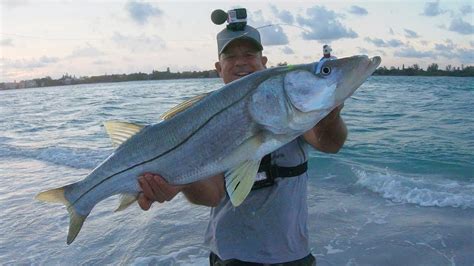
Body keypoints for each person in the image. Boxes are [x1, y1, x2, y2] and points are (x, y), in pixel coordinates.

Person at [137, 21, 347, 266]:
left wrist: (331, 114)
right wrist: (178, 180)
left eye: (249, 54)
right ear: (219, 67)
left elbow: (330, 143)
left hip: (292, 254)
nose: (240, 62)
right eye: (230, 56)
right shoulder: (202, 119)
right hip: (231, 256)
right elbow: (212, 195)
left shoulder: (293, 109)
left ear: (264, 61)